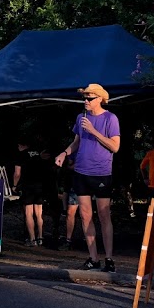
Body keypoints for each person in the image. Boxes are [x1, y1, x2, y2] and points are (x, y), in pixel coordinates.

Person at [54, 84, 120, 273]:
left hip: (101, 173)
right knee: (85, 216)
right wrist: (64, 154)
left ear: (99, 99)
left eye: (89, 98)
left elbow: (115, 147)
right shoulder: (80, 118)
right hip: (81, 172)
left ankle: (109, 258)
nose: (86, 101)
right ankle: (93, 258)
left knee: (104, 215)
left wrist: (93, 131)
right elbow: (76, 142)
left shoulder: (110, 118)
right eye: (85, 98)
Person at [14, 139, 45, 246]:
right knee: (39, 214)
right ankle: (40, 237)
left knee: (28, 213)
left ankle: (32, 239)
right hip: (39, 186)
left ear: (22, 145)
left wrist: (14, 186)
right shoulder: (38, 154)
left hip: (27, 186)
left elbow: (17, 173)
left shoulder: (21, 155)